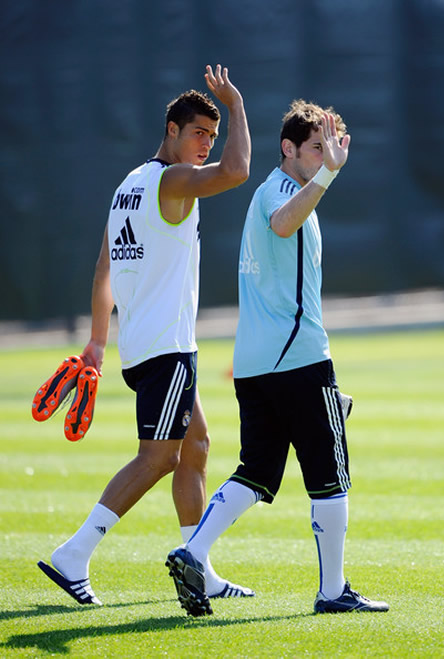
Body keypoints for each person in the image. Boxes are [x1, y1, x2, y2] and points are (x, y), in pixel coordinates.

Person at [37, 64, 254, 605]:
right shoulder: (171, 179)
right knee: (158, 458)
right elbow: (238, 171)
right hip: (166, 349)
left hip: (146, 346)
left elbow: (103, 267)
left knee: (197, 444)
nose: (207, 143)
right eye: (199, 133)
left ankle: (196, 564)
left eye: (212, 134)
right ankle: (74, 555)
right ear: (172, 131)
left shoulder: (128, 185)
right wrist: (236, 107)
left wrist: (96, 341)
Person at [166, 100, 389, 616]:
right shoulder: (281, 191)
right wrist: (329, 175)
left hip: (258, 365)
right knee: (330, 476)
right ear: (288, 149)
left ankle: (192, 552)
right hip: (299, 360)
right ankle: (333, 591)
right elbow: (285, 223)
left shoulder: (289, 191)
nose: (326, 154)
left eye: (332, 147)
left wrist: (324, 173)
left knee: (258, 471)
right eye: (317, 146)